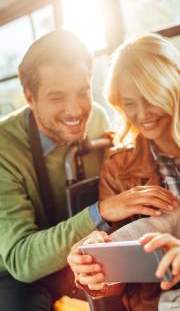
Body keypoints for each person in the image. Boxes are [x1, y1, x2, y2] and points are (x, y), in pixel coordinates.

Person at [0, 29, 172, 311]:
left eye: (83, 93)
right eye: (56, 97)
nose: (75, 110)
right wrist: (101, 211)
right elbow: (22, 261)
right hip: (20, 271)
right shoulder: (4, 147)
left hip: (79, 255)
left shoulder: (97, 119)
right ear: (30, 97)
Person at [67, 33, 180, 310]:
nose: (142, 114)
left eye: (150, 98)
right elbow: (123, 280)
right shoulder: (119, 166)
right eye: (129, 102)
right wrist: (95, 267)